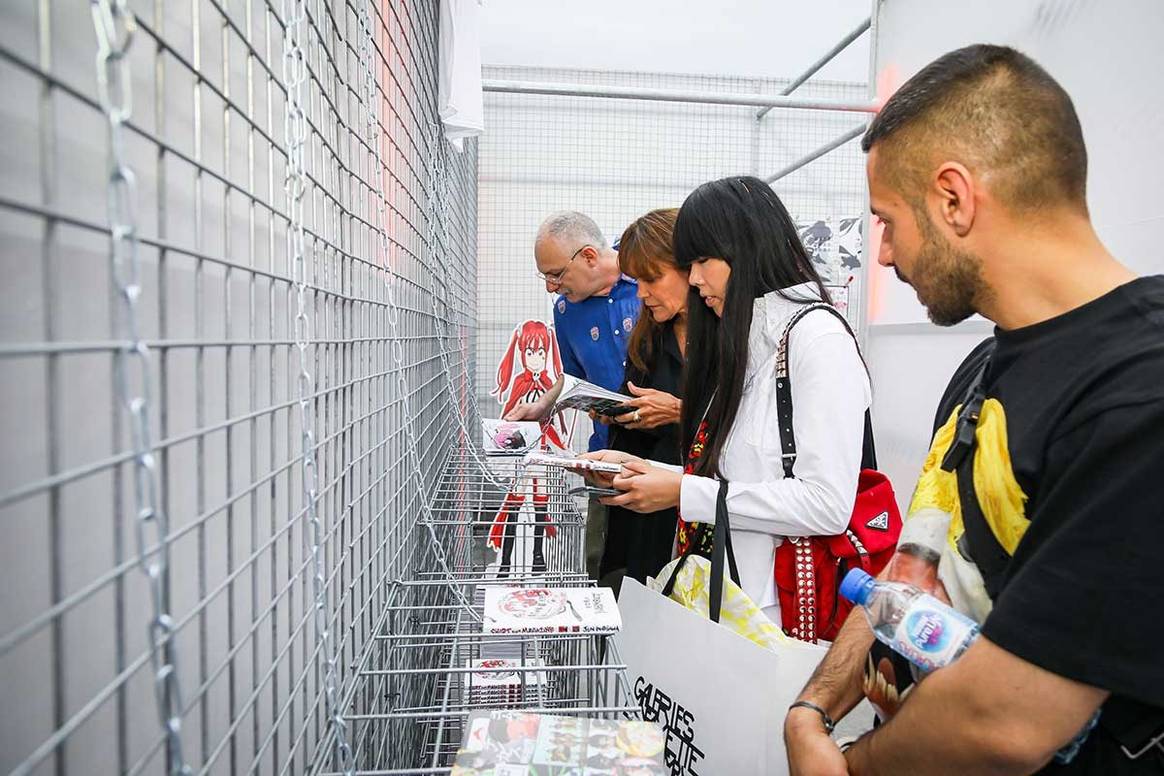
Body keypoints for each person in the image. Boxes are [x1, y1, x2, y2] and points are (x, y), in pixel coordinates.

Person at [783, 45, 1164, 776]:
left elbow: (1009, 721)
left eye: (888, 222)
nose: (884, 255)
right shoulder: (986, 366)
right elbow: (908, 575)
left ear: (954, 199)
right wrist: (813, 711)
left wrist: (851, 766)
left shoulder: (1140, 393)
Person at [587, 176, 871, 624]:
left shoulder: (816, 339)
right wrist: (643, 471)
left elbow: (827, 505)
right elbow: (740, 475)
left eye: (702, 260)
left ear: (748, 249)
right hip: (734, 603)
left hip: (785, 615)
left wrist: (683, 491)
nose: (695, 278)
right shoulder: (749, 341)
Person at [506, 211, 640, 579]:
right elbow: (572, 379)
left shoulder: (650, 279)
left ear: (589, 257)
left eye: (556, 274)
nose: (550, 287)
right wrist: (543, 406)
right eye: (545, 276)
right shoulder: (565, 311)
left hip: (669, 458)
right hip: (608, 461)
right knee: (606, 567)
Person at [596, 209, 688, 589]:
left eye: (652, 278)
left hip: (702, 503)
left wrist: (680, 412)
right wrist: (618, 412)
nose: (641, 293)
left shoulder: (733, 339)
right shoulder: (652, 335)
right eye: (637, 280)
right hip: (649, 507)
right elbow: (632, 394)